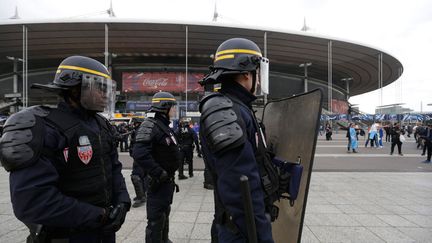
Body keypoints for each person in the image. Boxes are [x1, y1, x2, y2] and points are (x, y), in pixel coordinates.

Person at [0, 56, 131, 242]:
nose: (106, 94)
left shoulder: (102, 125)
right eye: (100, 87)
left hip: (104, 232)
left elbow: (114, 168)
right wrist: (98, 215)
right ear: (76, 88)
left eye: (107, 88)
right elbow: (31, 202)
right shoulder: (43, 127)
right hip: (67, 235)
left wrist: (123, 202)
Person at [199, 38, 284, 242]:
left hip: (239, 224)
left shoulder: (237, 107)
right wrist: (262, 235)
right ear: (247, 74)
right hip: (241, 230)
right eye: (258, 73)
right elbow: (241, 187)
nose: (259, 80)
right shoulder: (226, 110)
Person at [132, 91, 180, 243]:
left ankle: (164, 240)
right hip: (158, 182)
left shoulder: (164, 126)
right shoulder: (150, 125)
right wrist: (159, 173)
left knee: (164, 213)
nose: (174, 109)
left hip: (167, 183)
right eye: (173, 106)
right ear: (164, 107)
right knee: (155, 220)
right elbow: (139, 153)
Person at [129, 120, 149, 208]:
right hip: (145, 157)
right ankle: (144, 194)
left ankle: (140, 197)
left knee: (135, 176)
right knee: (144, 176)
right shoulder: (145, 131)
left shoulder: (138, 132)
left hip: (139, 157)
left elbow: (136, 145)